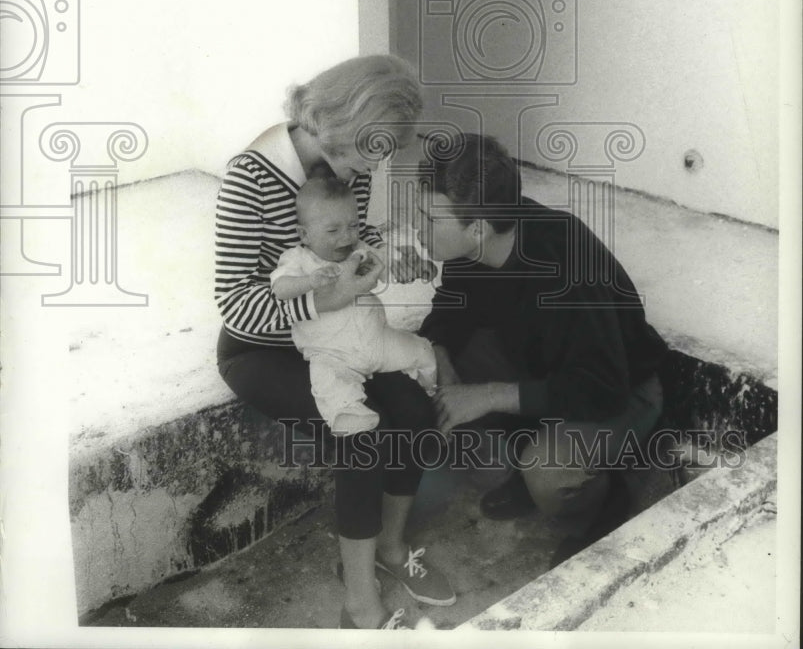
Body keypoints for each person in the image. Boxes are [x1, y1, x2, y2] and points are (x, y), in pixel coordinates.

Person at [215, 54, 454, 630]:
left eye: (381, 152)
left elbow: (353, 234)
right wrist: (330, 299)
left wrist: (377, 253)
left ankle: (391, 549)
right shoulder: (249, 177)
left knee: (416, 410)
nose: (369, 167)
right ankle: (358, 598)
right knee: (360, 430)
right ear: (332, 121)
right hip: (263, 347)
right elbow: (235, 304)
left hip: (342, 334)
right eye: (366, 151)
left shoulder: (351, 158)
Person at [414, 133, 669, 566]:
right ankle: (527, 453)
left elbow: (601, 388)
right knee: (433, 364)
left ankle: (613, 495)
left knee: (549, 476)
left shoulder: (566, 266)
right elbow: (449, 310)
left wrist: (489, 395)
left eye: (428, 219)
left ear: (476, 229)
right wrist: (442, 360)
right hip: (546, 370)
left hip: (623, 389)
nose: (417, 229)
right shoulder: (478, 239)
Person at [272, 172, 437, 435]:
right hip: (333, 353)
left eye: (353, 226)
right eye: (333, 230)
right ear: (304, 234)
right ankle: (349, 415)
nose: (346, 237)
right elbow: (280, 289)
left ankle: (431, 387)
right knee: (328, 381)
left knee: (422, 350)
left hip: (378, 341)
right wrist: (310, 282)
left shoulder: (359, 250)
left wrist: (414, 268)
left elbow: (386, 268)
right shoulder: (298, 260)